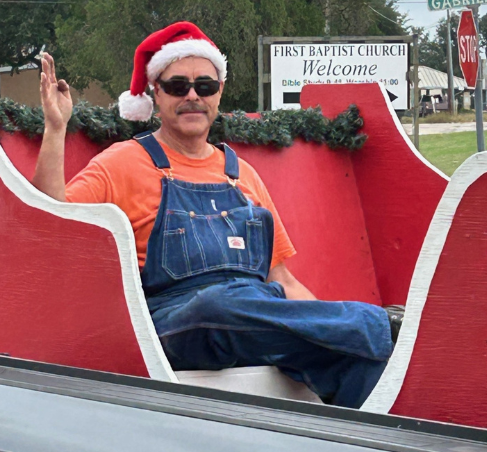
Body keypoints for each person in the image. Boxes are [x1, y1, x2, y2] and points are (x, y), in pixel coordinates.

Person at [34, 21, 401, 408]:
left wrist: (328, 327)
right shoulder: (121, 163)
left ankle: (367, 441)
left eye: (205, 86)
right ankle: (385, 326)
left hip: (253, 316)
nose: (192, 96)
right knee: (216, 306)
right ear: (156, 92)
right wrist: (55, 129)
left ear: (219, 92)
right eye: (178, 86)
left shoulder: (243, 175)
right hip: (176, 321)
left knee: (362, 364)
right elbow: (50, 221)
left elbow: (282, 280)